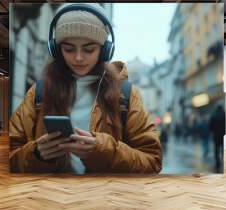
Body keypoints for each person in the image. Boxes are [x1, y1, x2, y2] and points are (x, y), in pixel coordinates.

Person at [9, 3, 162, 174]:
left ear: (105, 50)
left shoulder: (126, 95)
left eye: (89, 49)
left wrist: (103, 152)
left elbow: (152, 161)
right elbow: (9, 155)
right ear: (57, 50)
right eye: (69, 49)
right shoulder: (38, 92)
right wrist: (36, 154)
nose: (79, 57)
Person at [209, 105, 226, 173]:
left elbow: (210, 126)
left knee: (216, 151)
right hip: (223, 135)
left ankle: (217, 164)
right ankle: (223, 162)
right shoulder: (225, 115)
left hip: (216, 136)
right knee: (223, 150)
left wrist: (213, 131)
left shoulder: (213, 115)